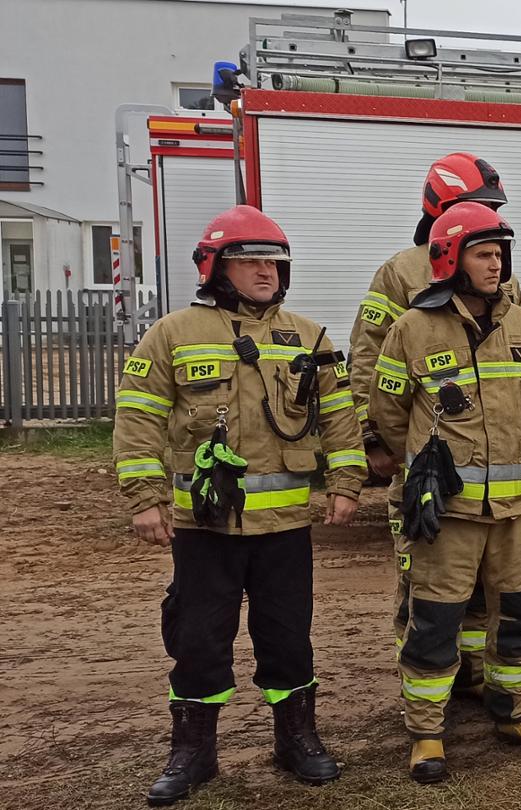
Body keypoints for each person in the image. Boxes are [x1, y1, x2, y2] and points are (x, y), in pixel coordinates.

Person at [114, 206, 364, 804]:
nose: (265, 271)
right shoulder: (173, 333)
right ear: (216, 268)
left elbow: (339, 417)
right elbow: (138, 416)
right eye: (249, 260)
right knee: (199, 637)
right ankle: (193, 751)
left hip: (284, 526)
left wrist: (348, 482)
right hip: (206, 526)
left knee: (288, 636)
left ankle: (297, 739)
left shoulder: (308, 336)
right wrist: (145, 498)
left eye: (274, 261)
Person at [371, 202, 521, 782]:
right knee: (434, 620)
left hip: (518, 511)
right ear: (451, 259)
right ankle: (427, 734)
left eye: (500, 253)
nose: (496, 264)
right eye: (484, 254)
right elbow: (387, 410)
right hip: (448, 514)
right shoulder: (413, 327)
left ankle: (518, 714)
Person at [349, 152, 518, 691]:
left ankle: (469, 679)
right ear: (442, 205)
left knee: (483, 588)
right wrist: (375, 439)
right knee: (424, 582)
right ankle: (424, 688)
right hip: (427, 462)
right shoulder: (400, 273)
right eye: (479, 205)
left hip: (490, 468)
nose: (489, 217)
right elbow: (368, 361)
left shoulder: (501, 269)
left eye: (493, 208)